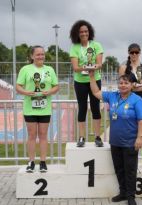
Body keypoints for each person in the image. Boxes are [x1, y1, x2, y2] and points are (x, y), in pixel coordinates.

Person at [89, 71, 142, 205]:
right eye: (120, 83)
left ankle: (131, 197)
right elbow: (96, 93)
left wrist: (140, 137)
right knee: (119, 169)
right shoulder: (113, 96)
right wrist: (91, 77)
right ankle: (123, 193)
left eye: (126, 83)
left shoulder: (137, 100)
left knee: (130, 170)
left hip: (130, 142)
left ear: (132, 85)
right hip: (115, 141)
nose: (123, 85)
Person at [16, 45, 59, 173]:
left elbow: (56, 86)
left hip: (45, 108)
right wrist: (26, 92)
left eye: (42, 54)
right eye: (38, 54)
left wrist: (48, 92)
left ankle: (43, 162)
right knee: (31, 135)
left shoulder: (49, 69)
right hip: (30, 108)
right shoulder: (25, 69)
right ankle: (31, 162)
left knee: (43, 135)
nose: (41, 56)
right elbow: (18, 86)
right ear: (32, 56)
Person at [69, 19, 104, 148]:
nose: (84, 33)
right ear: (77, 34)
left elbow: (100, 64)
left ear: (89, 32)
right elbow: (75, 67)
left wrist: (93, 67)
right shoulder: (75, 47)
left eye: (86, 31)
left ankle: (97, 136)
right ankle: (82, 137)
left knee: (96, 107)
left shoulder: (96, 45)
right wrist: (87, 67)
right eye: (81, 32)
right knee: (82, 108)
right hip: (80, 81)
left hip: (94, 80)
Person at [119, 43, 142, 169]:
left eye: (136, 52)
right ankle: (130, 160)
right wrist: (131, 86)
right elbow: (121, 84)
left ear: (139, 53)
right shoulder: (123, 68)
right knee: (129, 131)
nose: (134, 54)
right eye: (131, 52)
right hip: (128, 99)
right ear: (128, 53)